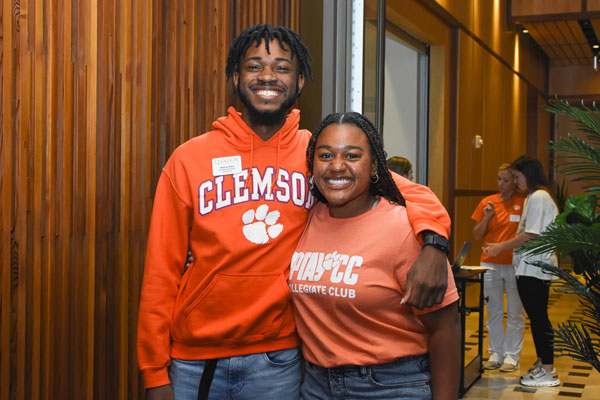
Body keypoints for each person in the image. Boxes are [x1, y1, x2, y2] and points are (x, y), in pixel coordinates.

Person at [137, 23, 452, 400]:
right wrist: (154, 373)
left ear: (300, 81)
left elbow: (411, 192)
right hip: (196, 358)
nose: (267, 76)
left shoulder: (317, 155)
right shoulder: (189, 159)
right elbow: (160, 272)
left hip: (279, 358)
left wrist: (434, 243)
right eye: (254, 66)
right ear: (236, 77)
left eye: (282, 67)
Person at [290, 112, 461, 399]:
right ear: (312, 164)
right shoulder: (307, 216)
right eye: (326, 155)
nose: (337, 166)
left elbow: (445, 328)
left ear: (374, 167)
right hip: (316, 384)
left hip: (390, 385)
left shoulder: (406, 229)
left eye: (353, 156)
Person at [484, 156, 560, 387]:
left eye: (517, 177)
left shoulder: (539, 197)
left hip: (536, 269)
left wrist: (500, 247)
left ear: (530, 174)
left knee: (539, 320)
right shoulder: (533, 198)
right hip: (529, 268)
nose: (515, 182)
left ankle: (548, 370)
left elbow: (531, 235)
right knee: (536, 319)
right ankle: (542, 363)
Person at [471, 164, 526, 372]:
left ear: (514, 181)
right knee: (493, 310)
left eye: (505, 179)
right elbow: (477, 235)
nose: (501, 184)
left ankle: (512, 355)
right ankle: (495, 352)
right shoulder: (488, 202)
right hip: (490, 263)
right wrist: (486, 216)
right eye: (498, 179)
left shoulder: (523, 202)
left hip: (514, 263)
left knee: (515, 311)